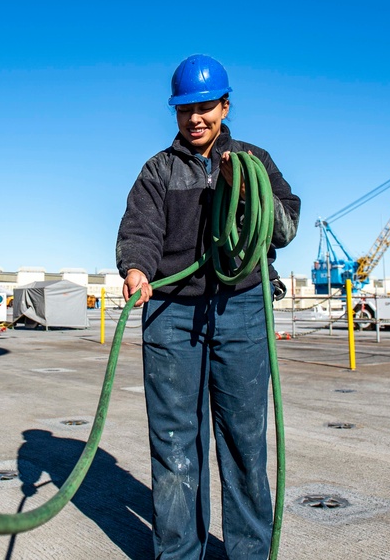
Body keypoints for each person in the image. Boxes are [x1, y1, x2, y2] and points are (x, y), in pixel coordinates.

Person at [116, 54, 300, 559]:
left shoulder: (253, 159)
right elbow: (139, 232)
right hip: (171, 312)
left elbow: (283, 226)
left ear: (224, 105)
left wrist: (240, 186)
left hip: (240, 307)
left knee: (244, 441)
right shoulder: (158, 170)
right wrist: (135, 268)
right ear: (175, 112)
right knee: (176, 443)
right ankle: (178, 554)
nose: (195, 119)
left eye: (204, 107)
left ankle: (249, 553)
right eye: (184, 110)